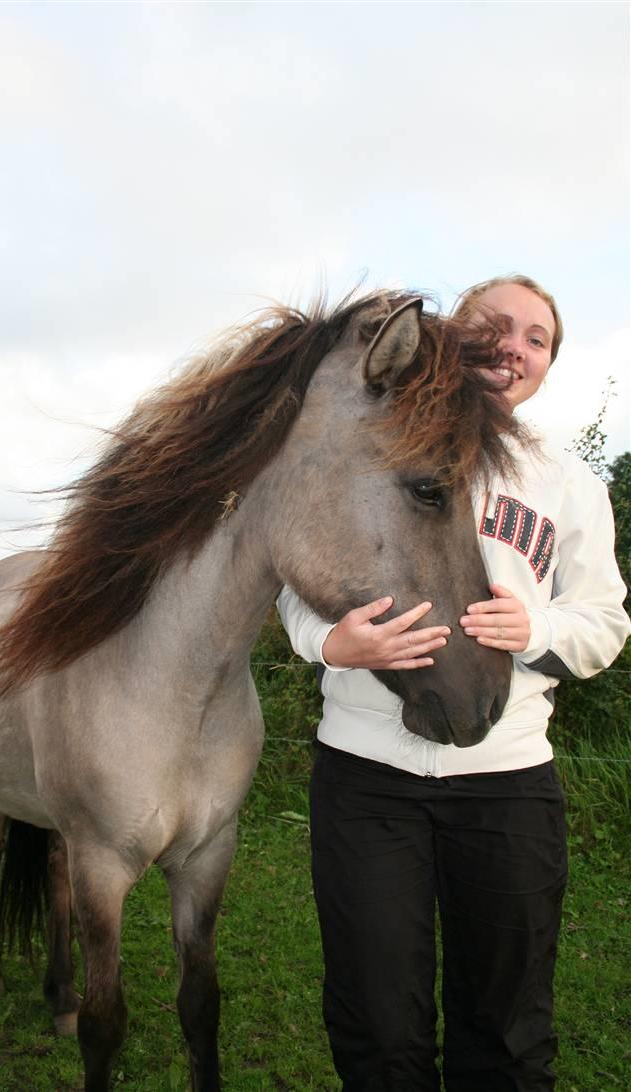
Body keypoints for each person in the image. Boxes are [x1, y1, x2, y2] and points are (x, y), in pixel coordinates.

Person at [276, 275, 630, 1092]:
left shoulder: (568, 484)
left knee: (505, 1031)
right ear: (449, 335)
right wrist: (330, 643)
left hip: (507, 786)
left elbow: (605, 621)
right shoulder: (372, 443)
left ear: (546, 365)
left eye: (536, 338)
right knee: (377, 1026)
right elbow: (294, 578)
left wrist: (536, 631)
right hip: (366, 781)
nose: (514, 346)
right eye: (495, 325)